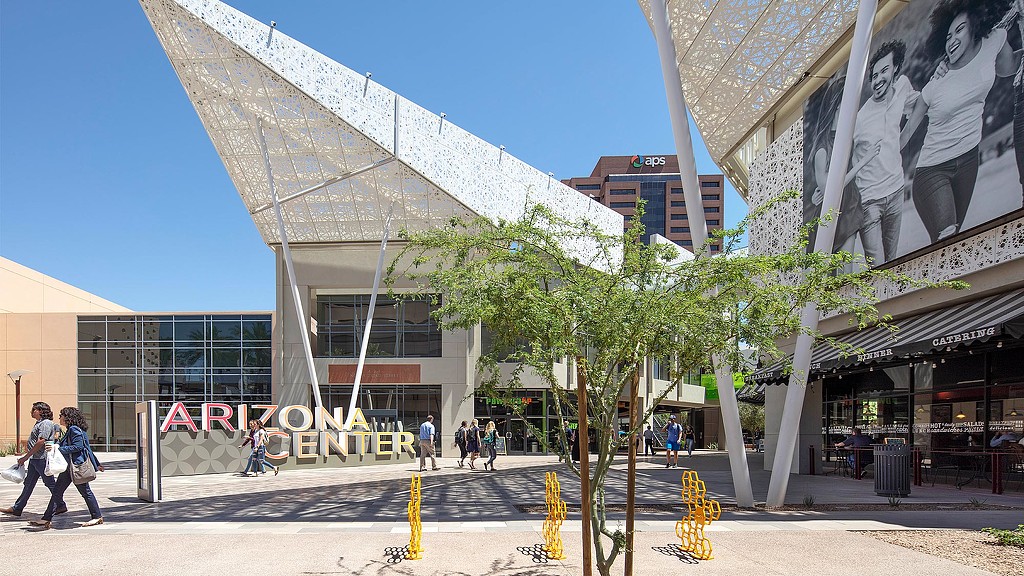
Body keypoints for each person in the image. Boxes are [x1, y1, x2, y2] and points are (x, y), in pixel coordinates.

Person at [901, 0, 1018, 242]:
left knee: (951, 241)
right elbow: (905, 135)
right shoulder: (935, 84)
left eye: (959, 30)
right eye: (948, 36)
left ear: (975, 25)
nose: (952, 39)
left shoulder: (994, 40)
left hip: (968, 161)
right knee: (948, 237)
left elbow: (1008, 67)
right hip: (932, 170)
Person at [851, 40, 919, 265]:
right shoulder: (860, 119)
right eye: (874, 75)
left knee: (892, 262)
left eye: (884, 71)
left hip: (896, 191)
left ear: (896, 68)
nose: (878, 79)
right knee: (878, 270)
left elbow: (919, 105)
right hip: (869, 202)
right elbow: (842, 161)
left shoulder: (903, 87)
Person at [33, 407, 104, 530]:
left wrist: (58, 449)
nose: (59, 418)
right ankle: (46, 518)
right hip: (69, 468)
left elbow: (79, 446)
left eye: (61, 415)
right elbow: (87, 447)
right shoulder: (73, 429)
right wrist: (97, 463)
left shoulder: (74, 429)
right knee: (57, 492)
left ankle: (97, 516)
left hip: (75, 467)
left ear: (68, 417)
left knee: (85, 492)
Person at [1, 402, 66, 518]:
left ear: (40, 411)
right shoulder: (39, 423)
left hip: (41, 459)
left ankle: (60, 504)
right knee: (28, 484)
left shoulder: (46, 423)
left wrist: (25, 457)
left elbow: (41, 442)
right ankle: (17, 508)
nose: (31, 411)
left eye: (34, 409)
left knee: (50, 483)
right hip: (35, 459)